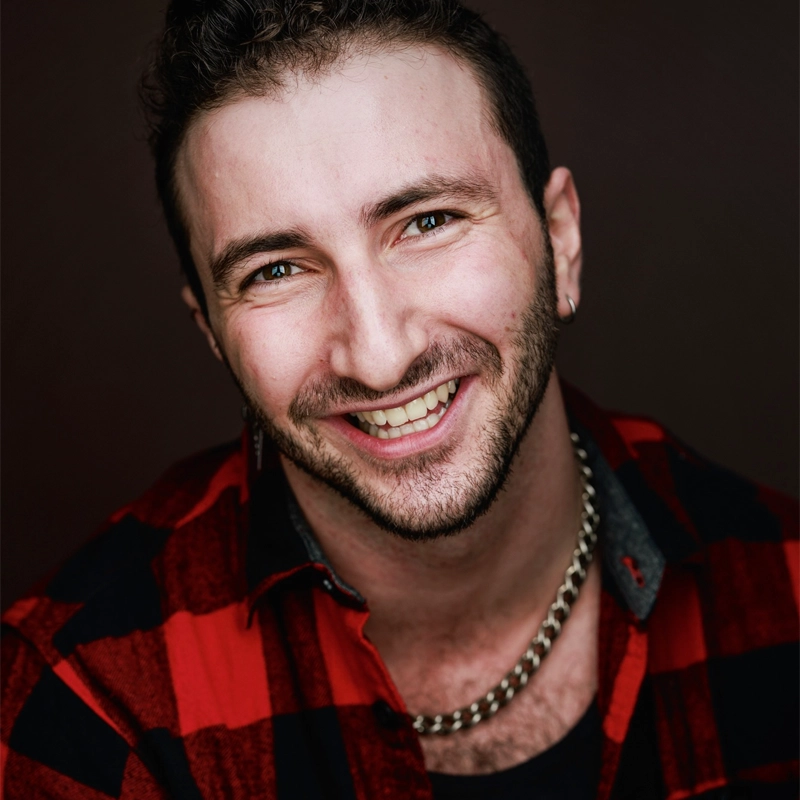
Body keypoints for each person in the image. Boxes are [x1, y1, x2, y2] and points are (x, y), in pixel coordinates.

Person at [1, 1, 797, 798]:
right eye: (276, 270)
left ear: (560, 237)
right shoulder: (84, 703)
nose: (380, 357)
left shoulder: (786, 592)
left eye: (428, 221)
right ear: (211, 330)